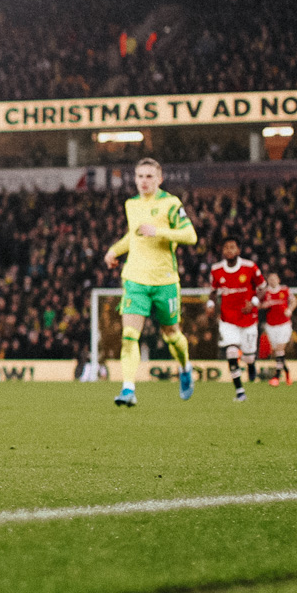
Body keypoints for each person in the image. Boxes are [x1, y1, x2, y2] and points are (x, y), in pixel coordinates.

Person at [101, 157, 198, 407]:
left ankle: (185, 367)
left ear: (159, 179)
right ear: (134, 179)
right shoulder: (131, 205)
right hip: (135, 279)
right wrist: (114, 250)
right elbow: (133, 237)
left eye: (149, 176)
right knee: (129, 335)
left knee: (172, 335)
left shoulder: (170, 203)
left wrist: (160, 231)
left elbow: (190, 235)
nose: (144, 181)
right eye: (140, 176)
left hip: (165, 281)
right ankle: (128, 389)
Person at [208, 236, 264, 402]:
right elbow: (213, 290)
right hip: (227, 318)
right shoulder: (216, 269)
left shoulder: (250, 267)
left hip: (247, 318)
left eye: (232, 247)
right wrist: (210, 303)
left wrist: (253, 302)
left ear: (238, 250)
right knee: (231, 351)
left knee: (248, 356)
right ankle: (240, 391)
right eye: (226, 248)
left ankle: (251, 363)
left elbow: (262, 288)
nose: (229, 250)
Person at [261, 271, 295, 385]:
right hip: (271, 325)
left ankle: (276, 377)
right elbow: (258, 305)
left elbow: (294, 301)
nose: (272, 281)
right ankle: (287, 372)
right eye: (270, 279)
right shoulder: (265, 292)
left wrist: (289, 310)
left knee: (280, 349)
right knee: (278, 352)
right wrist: (263, 306)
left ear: (278, 280)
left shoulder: (285, 290)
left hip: (284, 324)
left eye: (274, 279)